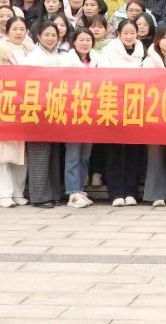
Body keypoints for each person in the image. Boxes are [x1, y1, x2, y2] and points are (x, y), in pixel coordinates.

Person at [23, 22, 80, 208]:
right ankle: (39, 196)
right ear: (39, 36)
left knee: (53, 154)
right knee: (39, 154)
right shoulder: (31, 58)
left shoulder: (63, 57)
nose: (50, 38)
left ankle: (54, 193)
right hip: (37, 110)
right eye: (46, 35)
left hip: (57, 109)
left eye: (53, 35)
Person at [98, 20, 145, 207]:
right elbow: (102, 75)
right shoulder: (109, 50)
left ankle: (131, 191)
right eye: (125, 32)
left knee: (133, 151)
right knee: (113, 151)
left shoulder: (142, 51)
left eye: (132, 32)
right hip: (113, 104)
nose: (129, 36)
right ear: (118, 33)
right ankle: (116, 192)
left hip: (135, 106)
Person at [0, 39, 27, 208]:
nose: (18, 32)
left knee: (20, 156)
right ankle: (3, 194)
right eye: (14, 29)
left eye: (22, 28)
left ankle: (17, 192)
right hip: (2, 106)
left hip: (23, 108)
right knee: (1, 154)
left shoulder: (28, 51)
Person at [64, 28, 101, 208]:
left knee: (85, 155)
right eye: (81, 40)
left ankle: (79, 189)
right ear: (74, 42)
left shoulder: (98, 60)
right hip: (72, 112)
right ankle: (72, 192)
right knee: (73, 154)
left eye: (88, 40)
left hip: (91, 112)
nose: (85, 43)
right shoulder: (66, 60)